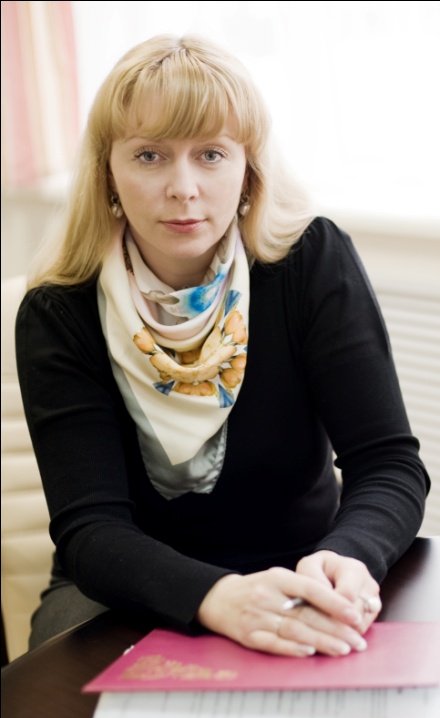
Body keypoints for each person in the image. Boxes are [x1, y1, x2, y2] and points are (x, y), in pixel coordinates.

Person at [15, 33, 429, 659]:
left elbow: (388, 463)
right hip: (123, 592)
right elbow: (91, 531)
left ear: (248, 170)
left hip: (302, 570)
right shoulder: (59, 312)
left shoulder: (310, 263)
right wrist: (217, 596)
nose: (183, 187)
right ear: (107, 173)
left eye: (210, 154)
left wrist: (349, 556)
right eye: (150, 155)